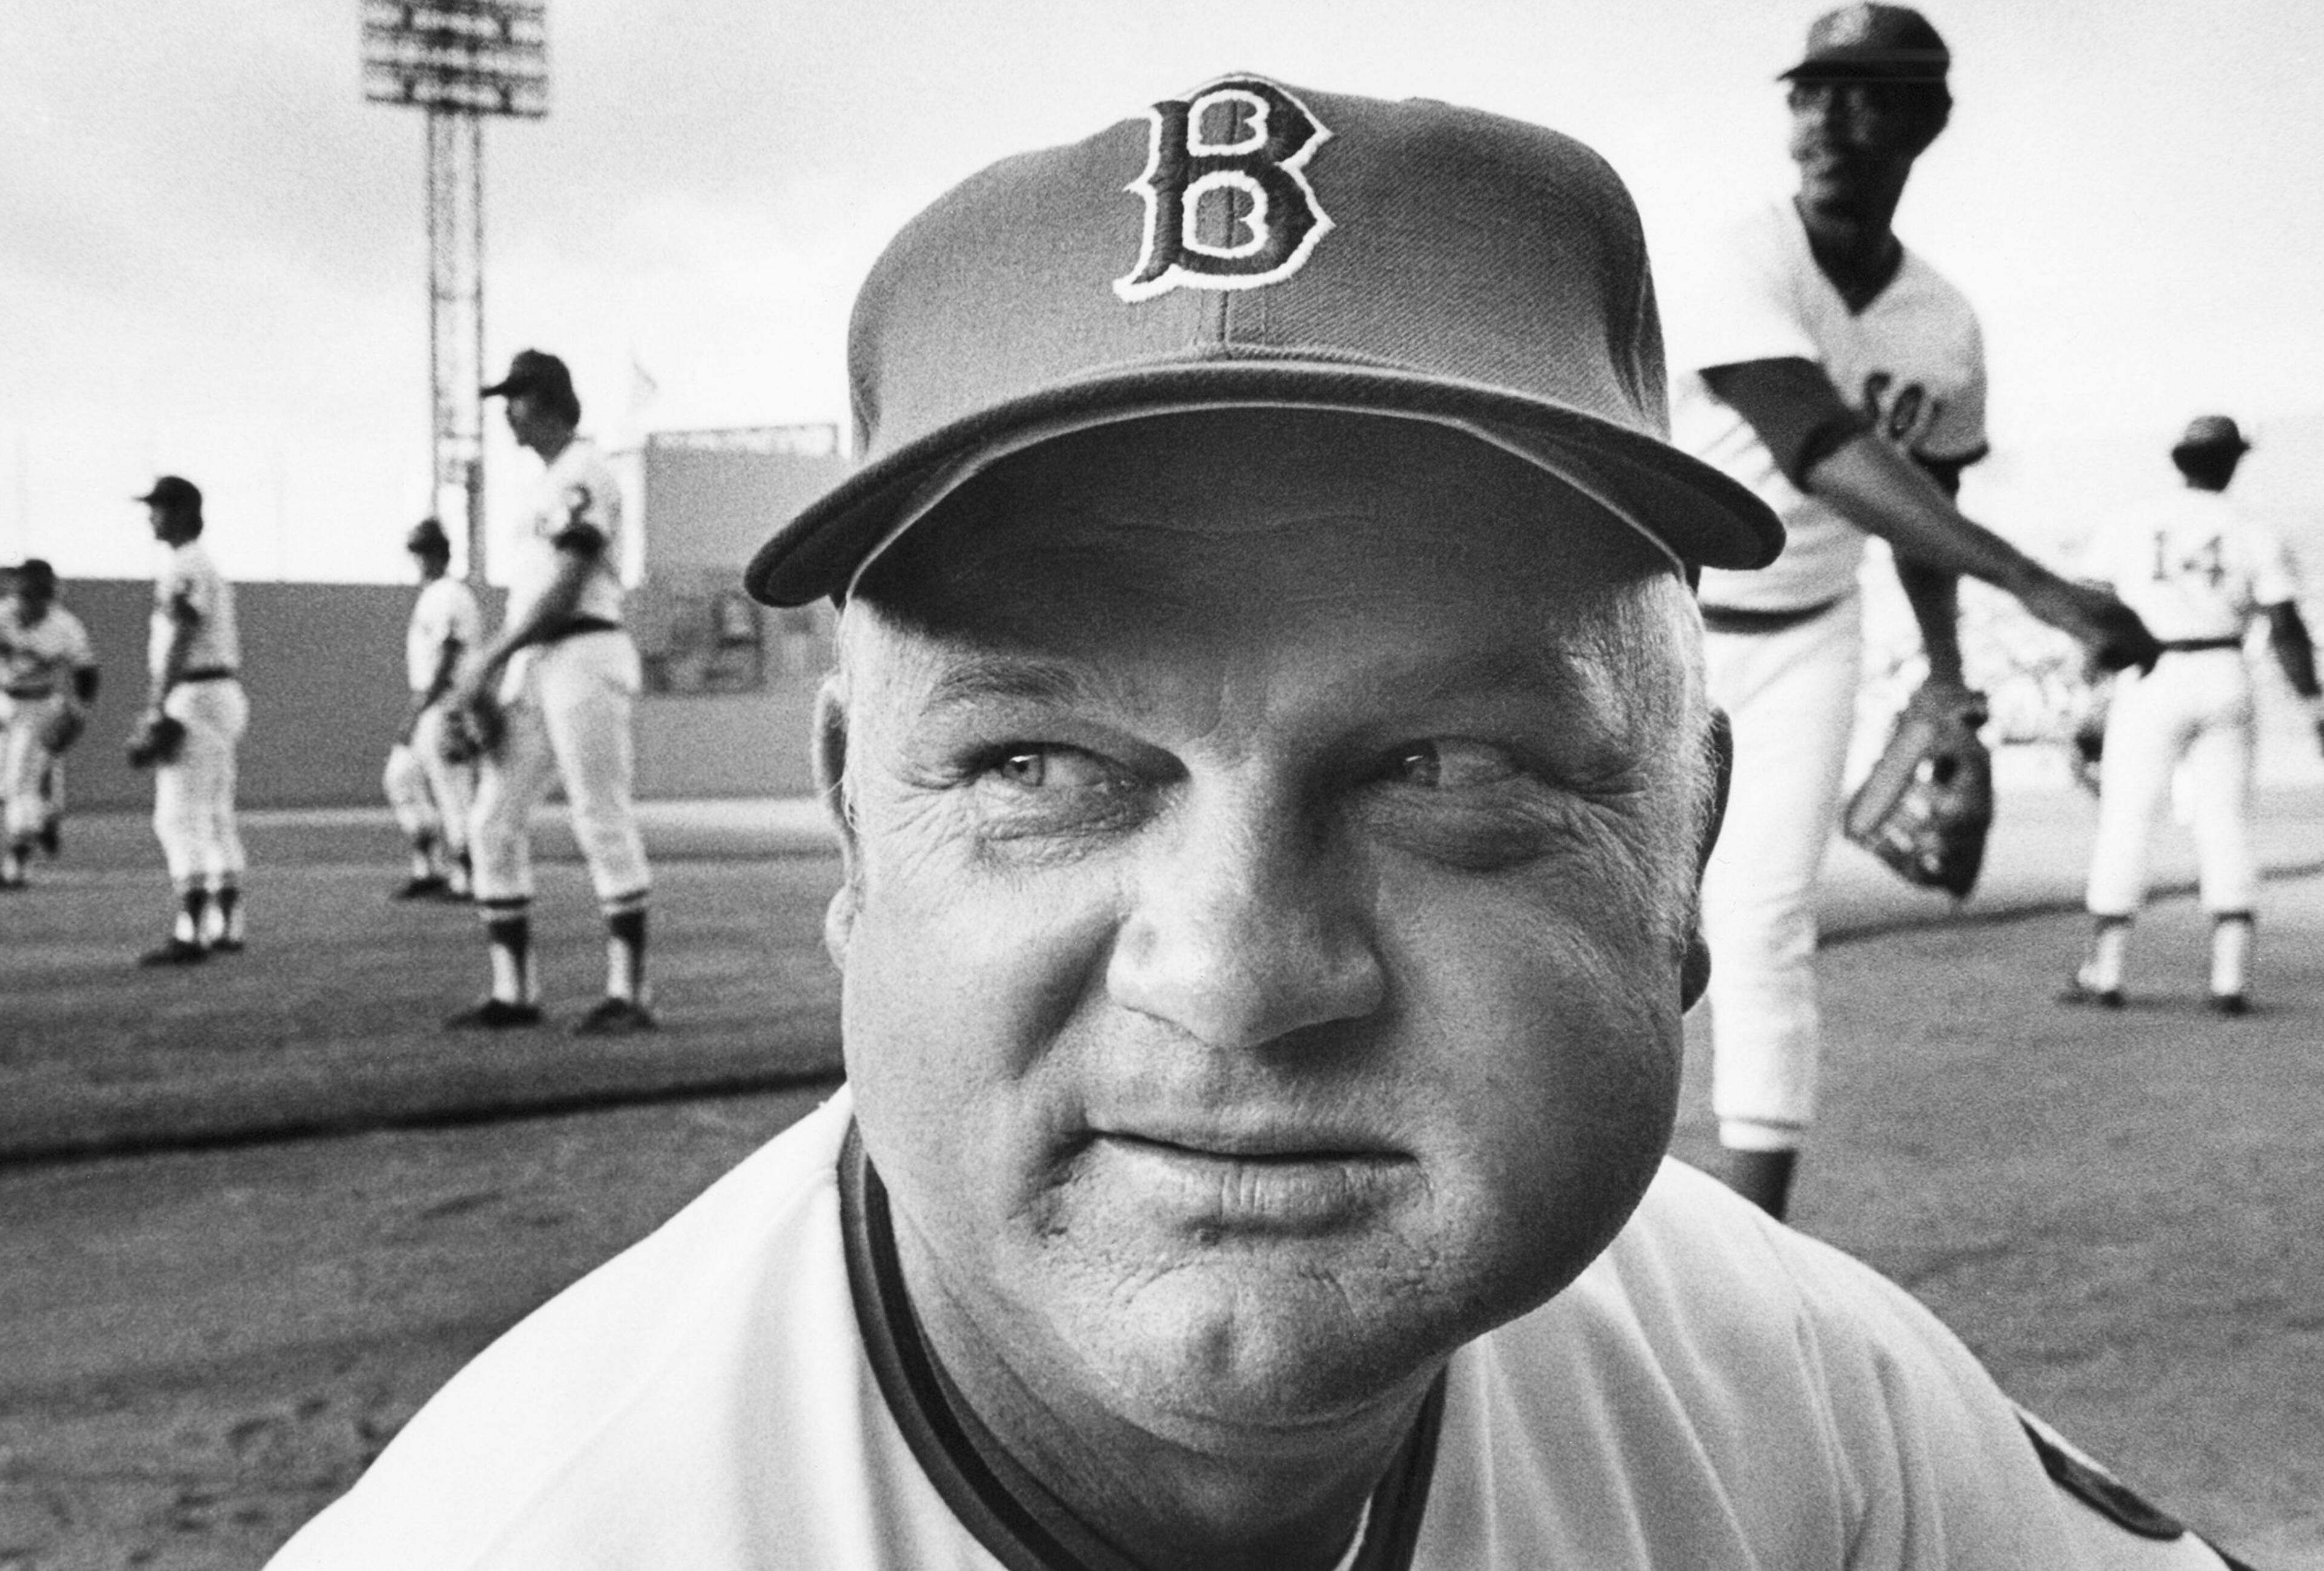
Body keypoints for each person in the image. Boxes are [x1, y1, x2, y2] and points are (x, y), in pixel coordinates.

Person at [268, 77, 2249, 1569]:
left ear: (1687, 854)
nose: (1238, 977)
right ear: (851, 843)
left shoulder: (1794, 1395)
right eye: (1042, 765)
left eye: (1450, 767)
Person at [1658, 3, 2162, 1218]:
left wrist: (1947, 673)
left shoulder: (1945, 321)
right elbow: (1820, 445)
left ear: (1927, 119)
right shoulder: (1742, 255)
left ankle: (1755, 1234)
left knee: (1768, 921)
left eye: (1868, 91)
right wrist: (2037, 584)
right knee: (1622, 918)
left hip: (1815, 630)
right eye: (1813, 91)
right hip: (1662, 621)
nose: (1831, 115)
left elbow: (1922, 504)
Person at [2065, 415, 2323, 1014]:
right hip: (2224, 668)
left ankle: (2105, 971)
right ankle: (2230, 977)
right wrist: (2312, 701)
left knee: (2125, 819)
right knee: (2226, 823)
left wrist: (2091, 689)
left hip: (2150, 672)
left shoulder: (2132, 521)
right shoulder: (2251, 529)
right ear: (2233, 462)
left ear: (2178, 460)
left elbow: (2094, 611)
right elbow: (2285, 627)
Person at [444, 350, 654, 1034]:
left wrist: (492, 656)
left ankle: (630, 993)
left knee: (600, 814)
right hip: (537, 661)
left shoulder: (585, 471)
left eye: (517, 397)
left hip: (585, 651)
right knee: (490, 820)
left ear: (550, 401)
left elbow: (568, 584)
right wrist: (496, 676)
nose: (507, 409)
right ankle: (514, 993)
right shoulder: (542, 488)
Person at [136, 475, 249, 963]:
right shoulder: (201, 563)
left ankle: (191, 933)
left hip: (196, 693)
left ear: (182, 511)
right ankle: (228, 924)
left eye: (159, 507)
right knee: (215, 813)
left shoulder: (186, 562)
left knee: (178, 816)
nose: (151, 516)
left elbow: (183, 630)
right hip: (218, 692)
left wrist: (157, 704)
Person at [383, 516, 482, 900]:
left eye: (424, 551)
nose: (419, 558)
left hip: (447, 702)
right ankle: (430, 869)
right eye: (416, 551)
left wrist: (420, 709)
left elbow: (449, 653)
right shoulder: (434, 594)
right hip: (433, 702)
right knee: (400, 777)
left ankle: (468, 879)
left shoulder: (448, 593)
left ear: (441, 553)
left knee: (454, 793)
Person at [0, 559, 99, 888]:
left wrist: (79, 712)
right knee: (9, 785)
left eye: (39, 595)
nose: (32, 601)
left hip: (39, 705)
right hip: (5, 700)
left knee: (21, 785)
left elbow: (86, 673)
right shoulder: (4, 615)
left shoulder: (65, 626)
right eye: (27, 594)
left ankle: (18, 864)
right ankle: (47, 817)